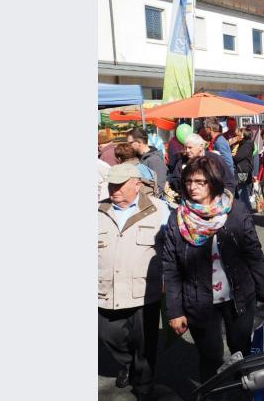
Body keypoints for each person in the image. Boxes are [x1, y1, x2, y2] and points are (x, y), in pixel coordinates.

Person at [162, 156, 264, 383]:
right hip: (199, 300)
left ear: (214, 182)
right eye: (188, 182)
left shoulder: (235, 211)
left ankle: (242, 390)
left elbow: (254, 253)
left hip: (238, 295)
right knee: (210, 357)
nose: (192, 187)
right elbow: (171, 268)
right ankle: (213, 394)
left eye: (200, 182)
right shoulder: (177, 219)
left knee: (241, 350)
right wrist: (175, 310)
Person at [98, 164, 169, 401]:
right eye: (111, 184)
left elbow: (171, 249)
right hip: (106, 290)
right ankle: (127, 363)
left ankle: (144, 384)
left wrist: (168, 280)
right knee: (110, 335)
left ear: (137, 185)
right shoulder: (97, 211)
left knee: (145, 343)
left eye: (119, 185)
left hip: (144, 291)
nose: (113, 189)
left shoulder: (159, 210)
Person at [168, 133, 237, 195]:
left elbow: (229, 181)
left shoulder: (215, 159)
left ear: (201, 147)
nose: (187, 151)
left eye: (190, 147)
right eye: (185, 148)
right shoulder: (183, 161)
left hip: (214, 202)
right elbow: (174, 179)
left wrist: (224, 198)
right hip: (189, 202)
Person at [127, 127, 167, 194]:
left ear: (139, 142)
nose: (128, 146)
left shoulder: (155, 160)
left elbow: (159, 187)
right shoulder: (136, 157)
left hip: (148, 201)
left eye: (130, 143)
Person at [233, 128, 255, 209]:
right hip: (243, 170)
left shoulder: (247, 144)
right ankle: (246, 210)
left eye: (241, 134)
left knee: (241, 190)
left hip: (243, 170)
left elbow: (238, 157)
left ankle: (246, 210)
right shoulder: (245, 143)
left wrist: (232, 156)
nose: (239, 135)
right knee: (243, 190)